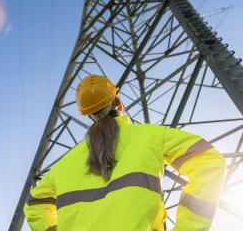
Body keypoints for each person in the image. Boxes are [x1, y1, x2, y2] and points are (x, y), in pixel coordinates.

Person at [24, 75, 225, 231]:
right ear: (118, 103)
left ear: (89, 116)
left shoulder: (65, 163)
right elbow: (208, 160)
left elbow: (33, 204)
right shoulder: (150, 136)